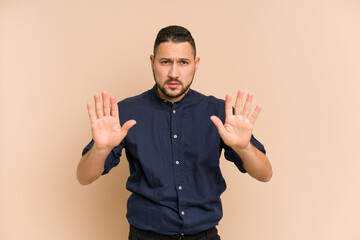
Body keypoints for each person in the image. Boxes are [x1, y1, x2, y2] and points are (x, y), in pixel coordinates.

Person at [77, 25, 272, 240]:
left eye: (183, 63)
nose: (173, 73)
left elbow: (265, 174)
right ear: (152, 62)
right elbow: (83, 177)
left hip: (204, 235)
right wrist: (100, 149)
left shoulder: (218, 112)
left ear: (195, 65)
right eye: (165, 62)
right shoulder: (124, 113)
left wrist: (244, 148)